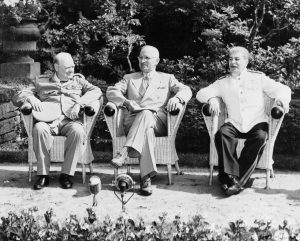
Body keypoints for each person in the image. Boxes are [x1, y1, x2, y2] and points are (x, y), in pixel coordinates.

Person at [196, 46, 291, 196]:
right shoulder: (223, 82)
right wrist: (211, 98)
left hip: (256, 122)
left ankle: (236, 180)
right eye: (230, 59)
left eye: (237, 59)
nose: (232, 62)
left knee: (261, 137)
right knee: (222, 134)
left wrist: (281, 101)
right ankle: (231, 177)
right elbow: (201, 93)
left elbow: (283, 89)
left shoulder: (258, 78)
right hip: (234, 122)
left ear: (246, 62)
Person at [106, 45, 192, 196]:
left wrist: (178, 98)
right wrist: (126, 102)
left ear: (157, 61)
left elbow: (186, 90)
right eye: (140, 58)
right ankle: (145, 178)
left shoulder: (167, 78)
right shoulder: (129, 78)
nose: (143, 61)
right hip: (133, 122)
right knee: (147, 129)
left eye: (147, 58)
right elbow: (111, 91)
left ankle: (125, 152)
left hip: (159, 121)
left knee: (147, 114)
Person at [13, 52, 102, 190]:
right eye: (67, 68)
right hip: (47, 121)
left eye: (72, 66)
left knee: (78, 131)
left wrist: (79, 103)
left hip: (70, 120)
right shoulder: (41, 81)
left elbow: (96, 91)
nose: (71, 70)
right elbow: (17, 97)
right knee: (39, 129)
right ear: (56, 66)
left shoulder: (78, 81)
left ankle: (66, 174)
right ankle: (43, 175)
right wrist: (31, 98)